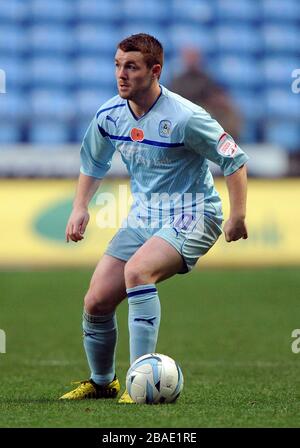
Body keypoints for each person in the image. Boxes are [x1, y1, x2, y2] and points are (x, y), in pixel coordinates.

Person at [59, 34, 249, 404]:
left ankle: (138, 381)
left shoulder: (185, 117)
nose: (121, 74)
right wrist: (80, 207)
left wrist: (238, 216)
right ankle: (102, 383)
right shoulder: (109, 115)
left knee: (138, 272)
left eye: (131, 66)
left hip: (195, 213)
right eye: (117, 65)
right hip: (144, 217)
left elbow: (234, 159)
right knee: (96, 301)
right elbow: (93, 163)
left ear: (155, 71)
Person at [169, 47, 242, 142]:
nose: (192, 60)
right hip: (185, 111)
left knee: (227, 111)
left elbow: (214, 94)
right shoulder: (177, 80)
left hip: (205, 109)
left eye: (195, 57)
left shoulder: (207, 78)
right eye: (189, 57)